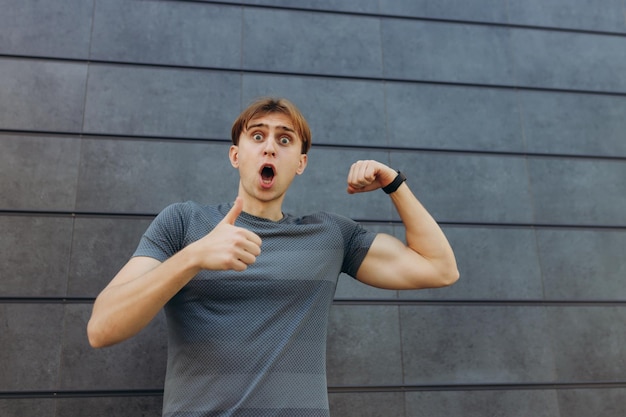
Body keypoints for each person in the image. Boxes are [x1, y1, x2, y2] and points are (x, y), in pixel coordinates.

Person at [87, 97, 459, 417]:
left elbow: (439, 268)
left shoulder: (331, 236)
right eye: (258, 136)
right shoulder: (184, 223)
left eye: (284, 139)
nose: (270, 148)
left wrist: (394, 185)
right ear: (236, 155)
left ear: (300, 162)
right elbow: (101, 328)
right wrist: (193, 257)